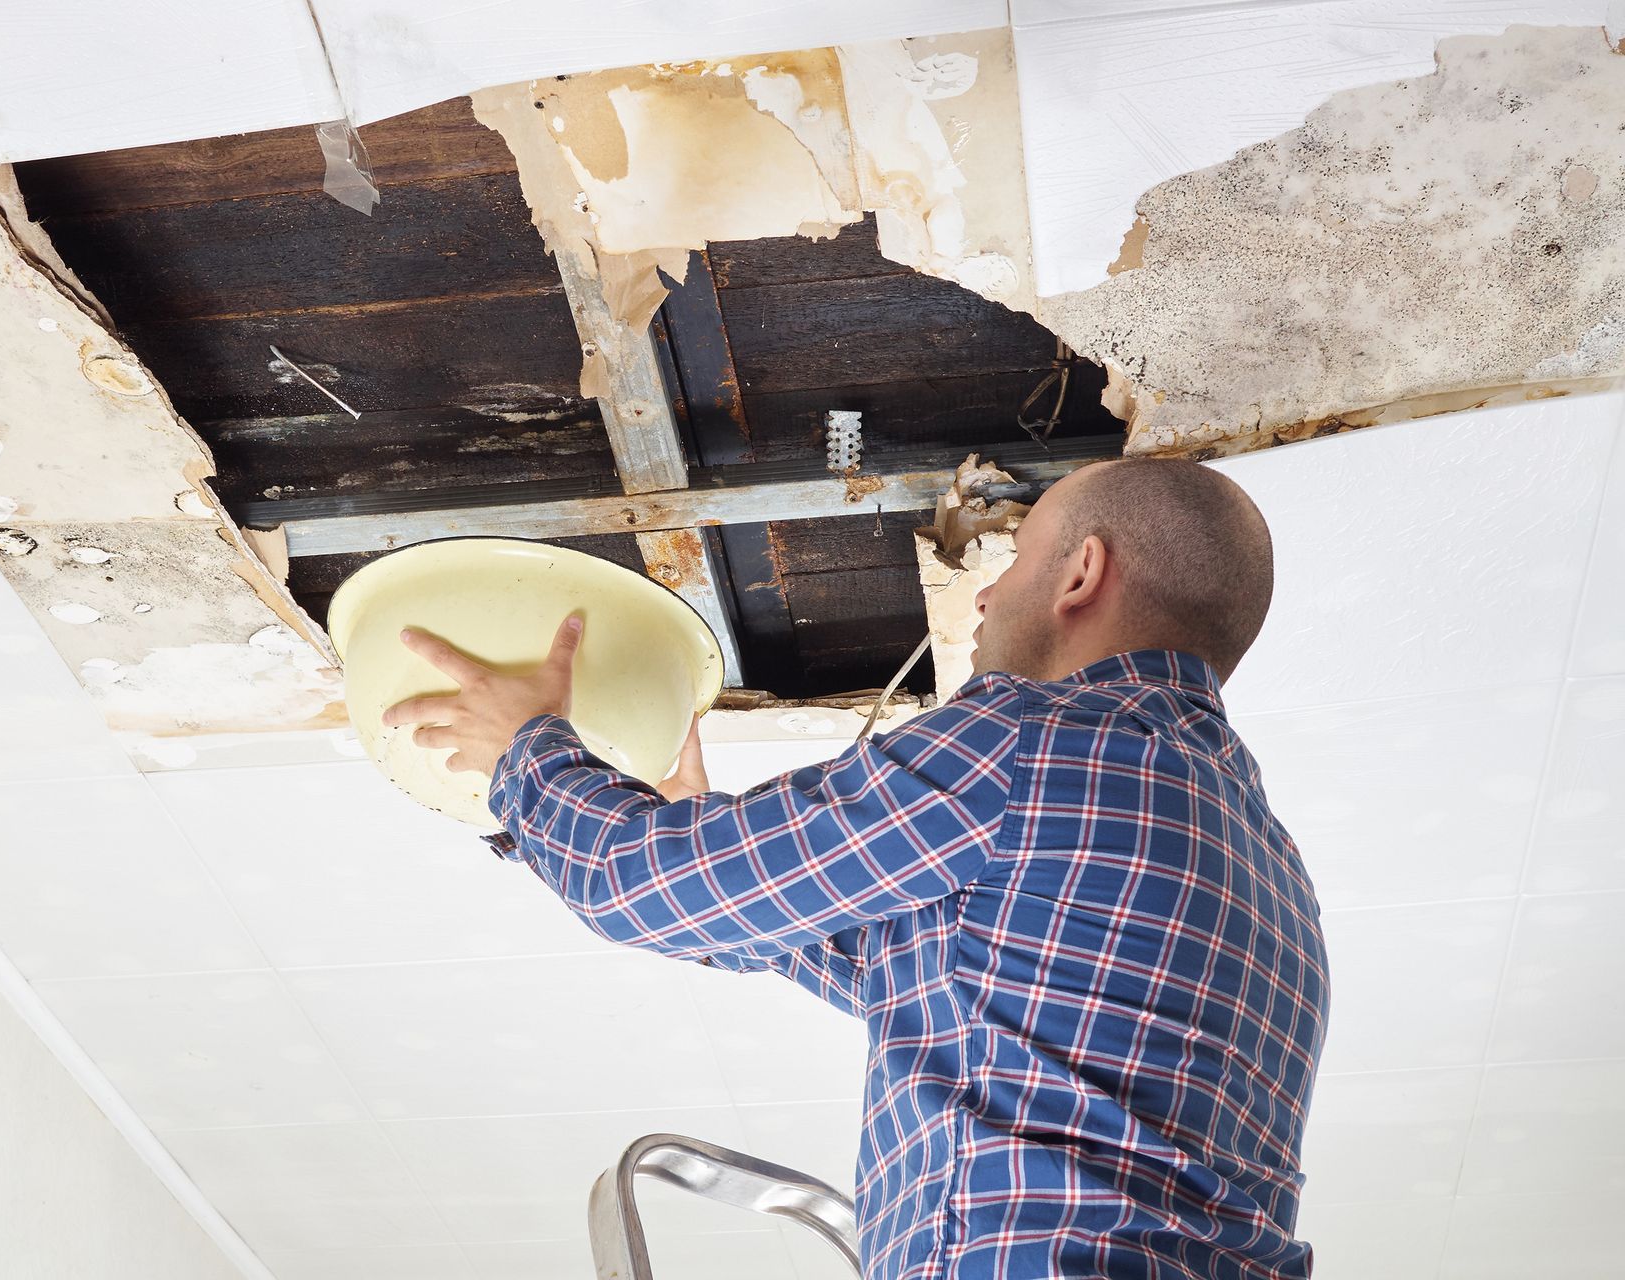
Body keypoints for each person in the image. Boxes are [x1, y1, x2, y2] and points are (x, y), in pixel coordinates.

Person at [384, 456, 1328, 1279]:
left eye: (1015, 559)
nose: (989, 597)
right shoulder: (1270, 868)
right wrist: (694, 859)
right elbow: (930, 978)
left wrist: (526, 753)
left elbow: (641, 889)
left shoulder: (1030, 743)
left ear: (1081, 574)